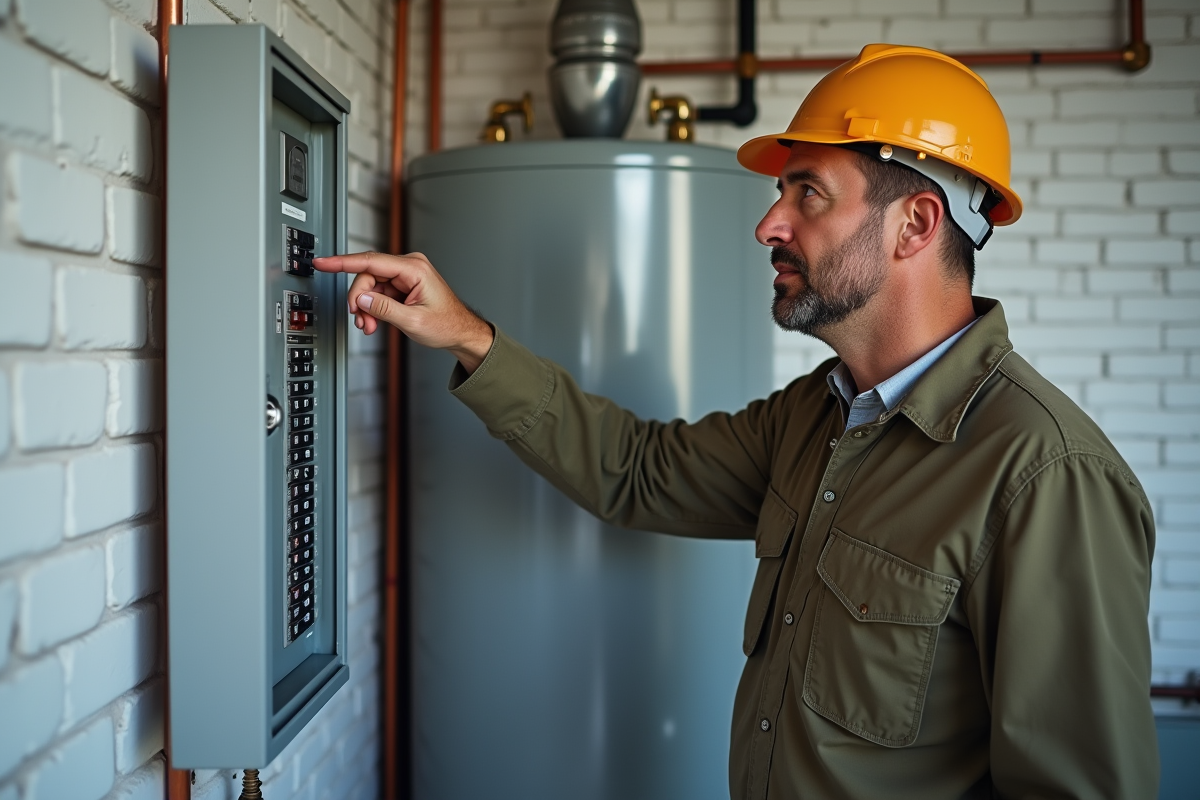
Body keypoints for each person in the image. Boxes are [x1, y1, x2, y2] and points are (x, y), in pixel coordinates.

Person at [315, 44, 1157, 800]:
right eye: (779, 192)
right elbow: (634, 471)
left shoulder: (1045, 475)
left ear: (916, 225)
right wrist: (468, 335)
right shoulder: (817, 418)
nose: (768, 224)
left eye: (808, 193)